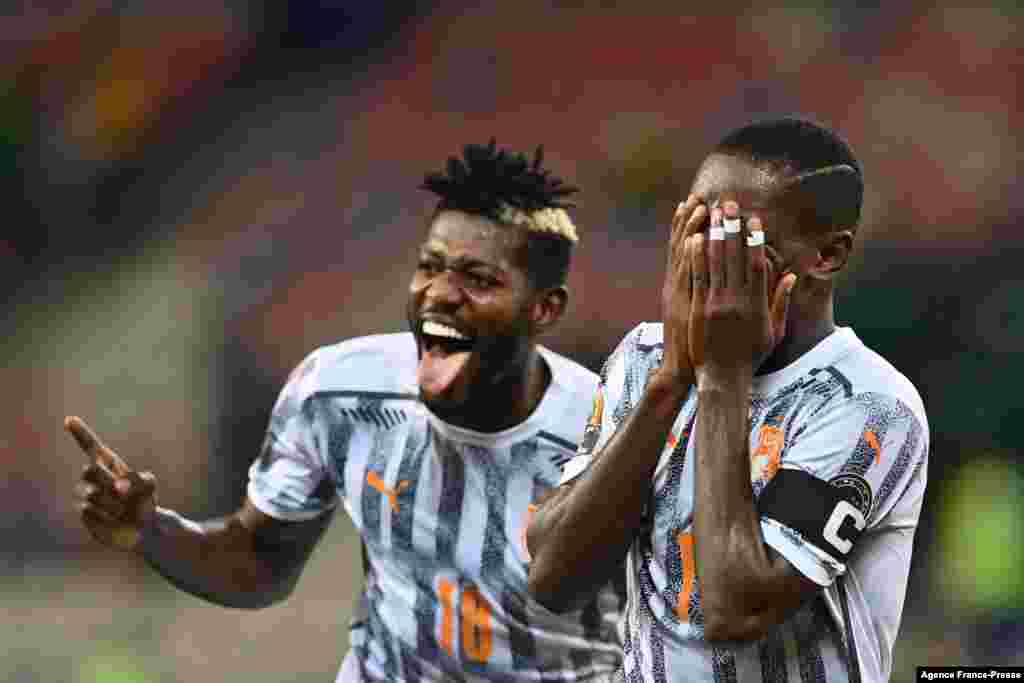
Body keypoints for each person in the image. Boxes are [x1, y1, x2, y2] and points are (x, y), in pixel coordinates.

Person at [69, 140, 624, 682]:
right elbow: (258, 562)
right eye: (431, 267)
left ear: (544, 309)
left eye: (478, 279)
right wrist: (151, 530)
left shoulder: (611, 436)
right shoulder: (339, 393)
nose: (439, 293)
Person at [526, 118, 929, 682]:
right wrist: (670, 381)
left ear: (828, 255)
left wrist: (720, 378)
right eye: (697, 228)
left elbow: (736, 607)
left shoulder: (870, 406)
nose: (709, 256)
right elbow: (552, 580)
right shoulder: (644, 360)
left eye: (738, 237)